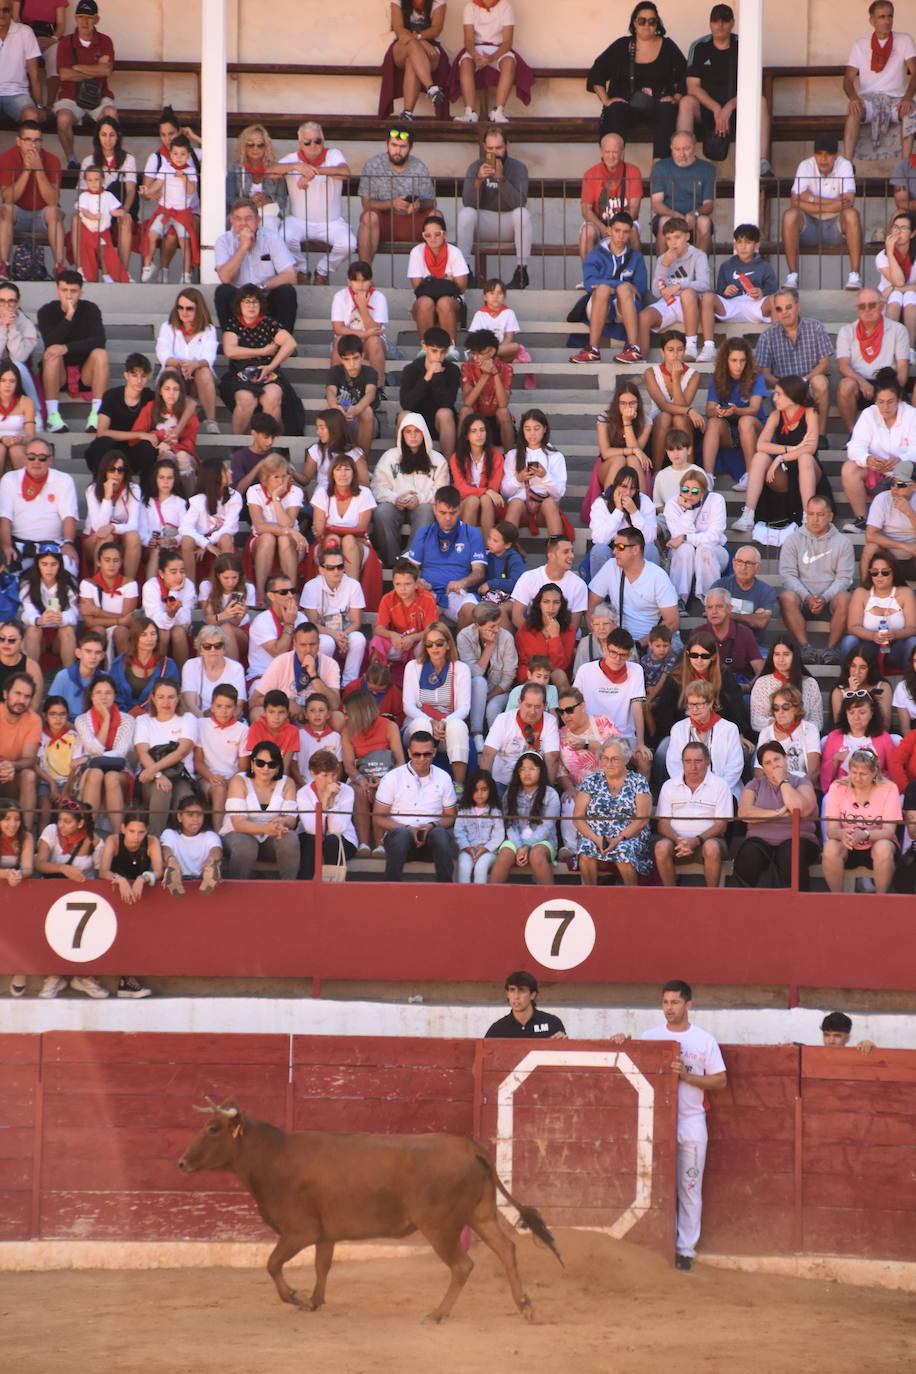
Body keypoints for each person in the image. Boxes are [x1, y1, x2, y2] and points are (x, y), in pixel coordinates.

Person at [618, 980, 727, 1269]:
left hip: (691, 1121)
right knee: (652, 1185)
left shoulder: (704, 1040)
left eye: (675, 1002)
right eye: (665, 1003)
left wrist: (686, 1077)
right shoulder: (649, 1037)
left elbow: (720, 1081)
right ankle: (654, 1244)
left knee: (689, 1187)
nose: (669, 1008)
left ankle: (685, 1250)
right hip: (655, 1122)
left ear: (688, 1005)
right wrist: (622, 1043)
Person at [586, 3, 687, 159]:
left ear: (657, 24)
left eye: (652, 21)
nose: (647, 25)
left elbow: (685, 75)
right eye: (642, 21)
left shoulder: (668, 46)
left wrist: (676, 97)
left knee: (667, 109)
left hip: (658, 107)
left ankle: (659, 168)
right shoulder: (621, 46)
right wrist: (606, 100)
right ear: (634, 23)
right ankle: (614, 166)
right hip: (627, 107)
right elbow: (596, 72)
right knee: (615, 108)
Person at [681, 5, 771, 172]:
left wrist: (728, 107)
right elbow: (692, 87)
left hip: (737, 111)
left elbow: (753, 85)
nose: (720, 25)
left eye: (725, 21)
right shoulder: (700, 46)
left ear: (732, 23)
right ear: (710, 23)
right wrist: (716, 108)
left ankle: (762, 162)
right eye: (715, 21)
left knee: (761, 102)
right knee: (686, 102)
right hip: (707, 111)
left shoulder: (744, 45)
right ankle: (682, 160)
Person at [731, 376, 825, 535]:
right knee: (760, 457)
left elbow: (810, 447)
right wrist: (791, 449)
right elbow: (761, 445)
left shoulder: (810, 412)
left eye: (779, 394)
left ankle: (806, 518)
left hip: (809, 471)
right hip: (786, 473)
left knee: (805, 458)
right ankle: (748, 515)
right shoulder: (776, 415)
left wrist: (781, 457)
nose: (774, 398)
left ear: (792, 396)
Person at [270, 120, 354, 286]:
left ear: (323, 141)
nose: (313, 145)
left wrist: (313, 172)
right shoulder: (293, 159)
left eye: (317, 141)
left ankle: (322, 271)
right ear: (300, 144)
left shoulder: (333, 154)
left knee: (349, 244)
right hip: (298, 220)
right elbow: (269, 172)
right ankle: (301, 270)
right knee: (284, 237)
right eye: (307, 142)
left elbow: (345, 172)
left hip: (332, 222)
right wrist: (296, 166)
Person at [776, 496, 856, 665]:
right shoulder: (793, 540)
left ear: (830, 516)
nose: (815, 519)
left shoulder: (843, 542)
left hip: (830, 601)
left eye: (820, 514)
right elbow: (787, 575)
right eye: (811, 514)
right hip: (802, 600)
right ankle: (805, 648)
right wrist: (807, 597)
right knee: (786, 597)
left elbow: (844, 578)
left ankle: (830, 649)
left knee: (845, 598)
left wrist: (824, 598)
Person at [782, 135, 863, 292]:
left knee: (852, 214)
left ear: (836, 155)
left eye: (828, 154)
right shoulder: (805, 165)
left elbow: (848, 202)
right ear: (814, 154)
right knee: (790, 215)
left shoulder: (844, 165)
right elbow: (794, 202)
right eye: (819, 154)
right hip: (809, 226)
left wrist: (810, 199)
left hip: (835, 227)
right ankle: (792, 275)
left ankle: (855, 275)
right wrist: (832, 204)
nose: (823, 159)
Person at [373, 728, 456, 880]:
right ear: (410, 753)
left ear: (434, 752)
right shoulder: (392, 778)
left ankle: (446, 888)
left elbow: (451, 817)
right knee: (401, 834)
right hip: (399, 841)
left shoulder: (444, 777)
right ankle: (390, 887)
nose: (422, 758)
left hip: (431, 840)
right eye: (417, 754)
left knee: (439, 833)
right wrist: (407, 829)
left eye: (427, 754)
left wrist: (432, 825)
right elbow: (378, 817)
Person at [219, 284, 299, 438]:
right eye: (247, 301)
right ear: (239, 304)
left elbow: (291, 343)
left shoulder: (269, 323)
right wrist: (262, 351)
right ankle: (237, 445)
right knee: (246, 399)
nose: (251, 306)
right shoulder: (234, 324)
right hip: (240, 374)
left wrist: (271, 366)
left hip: (268, 372)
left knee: (273, 395)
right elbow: (230, 351)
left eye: (255, 301)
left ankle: (268, 442)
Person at [753, 288, 834, 438]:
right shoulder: (767, 336)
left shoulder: (815, 327)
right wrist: (786, 387)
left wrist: (803, 381)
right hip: (783, 389)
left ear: (798, 306)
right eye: (779, 309)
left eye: (788, 307)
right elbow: (764, 374)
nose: (784, 312)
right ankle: (789, 437)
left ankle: (821, 435)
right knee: (780, 394)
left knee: (821, 382)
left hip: (809, 384)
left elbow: (825, 364)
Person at [569, 210, 647, 366]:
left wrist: (619, 287)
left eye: (625, 232)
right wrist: (619, 285)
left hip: (623, 307)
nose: (621, 236)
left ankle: (633, 349)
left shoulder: (636, 258)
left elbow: (640, 290)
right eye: (617, 231)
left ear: (630, 234)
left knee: (622, 290)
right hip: (599, 304)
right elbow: (590, 283)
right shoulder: (594, 255)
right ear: (609, 230)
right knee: (605, 289)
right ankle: (593, 350)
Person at [457, 125, 531, 289]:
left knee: (522, 213)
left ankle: (521, 271)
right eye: (490, 148)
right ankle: (464, 271)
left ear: (507, 146)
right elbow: (468, 202)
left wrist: (501, 179)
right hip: (483, 224)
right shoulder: (475, 167)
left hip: (508, 224)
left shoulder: (518, 168)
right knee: (466, 213)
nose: (495, 152)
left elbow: (519, 202)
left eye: (499, 148)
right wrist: (478, 180)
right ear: (484, 147)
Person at [842, 1, 916, 163]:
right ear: (872, 21)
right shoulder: (860, 44)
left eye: (890, 16)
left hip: (896, 101)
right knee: (854, 110)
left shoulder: (904, 40)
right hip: (869, 101)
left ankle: (904, 167)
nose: (887, 21)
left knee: (911, 111)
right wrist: (854, 98)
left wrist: (907, 98)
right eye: (882, 17)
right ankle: (847, 167)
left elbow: (915, 72)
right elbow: (848, 79)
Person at [371, 412, 448, 567]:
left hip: (422, 504)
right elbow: (378, 487)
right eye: (408, 431)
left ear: (424, 433)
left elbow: (442, 490)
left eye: (417, 431)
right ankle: (393, 561)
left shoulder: (438, 459)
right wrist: (394, 498)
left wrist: (419, 498)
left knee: (426, 510)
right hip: (395, 503)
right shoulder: (389, 456)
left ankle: (411, 561)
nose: (413, 436)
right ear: (402, 434)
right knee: (382, 512)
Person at [842, 369, 916, 531]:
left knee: (906, 469)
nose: (885, 407)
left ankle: (903, 522)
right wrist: (867, 459)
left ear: (899, 399)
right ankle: (861, 519)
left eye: (890, 401)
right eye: (880, 402)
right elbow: (854, 447)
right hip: (877, 473)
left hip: (906, 475)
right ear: (875, 400)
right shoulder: (869, 414)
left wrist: (901, 459)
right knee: (849, 468)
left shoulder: (912, 415)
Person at [404, 484, 486, 630]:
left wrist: (463, 582)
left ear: (460, 509)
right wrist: (417, 580)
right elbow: (410, 568)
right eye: (442, 512)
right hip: (429, 592)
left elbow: (479, 571)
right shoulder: (424, 532)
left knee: (471, 611)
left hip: (459, 593)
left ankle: (461, 645)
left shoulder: (472, 533)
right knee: (415, 609)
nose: (448, 518)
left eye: (452, 513)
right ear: (434, 509)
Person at [573, 736, 652, 885]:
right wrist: (595, 838)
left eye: (615, 759)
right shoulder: (591, 781)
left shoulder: (638, 782)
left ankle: (633, 895)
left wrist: (619, 838)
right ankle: (589, 895)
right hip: (596, 836)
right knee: (586, 848)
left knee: (623, 850)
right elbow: (578, 817)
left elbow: (642, 819)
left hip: (628, 836)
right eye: (605, 758)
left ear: (626, 759)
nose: (609, 764)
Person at [97, 812, 160, 998]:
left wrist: (143, 878)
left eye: (141, 832)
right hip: (114, 897)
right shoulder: (113, 841)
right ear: (123, 828)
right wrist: (120, 880)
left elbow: (159, 871)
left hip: (141, 898)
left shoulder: (152, 842)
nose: (136, 837)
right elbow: (103, 871)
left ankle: (128, 981)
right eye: (131, 831)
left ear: (147, 831)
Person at [37, 269, 108, 434]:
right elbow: (51, 342)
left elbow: (99, 340)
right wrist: (68, 316)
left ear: (80, 293)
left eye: (73, 291)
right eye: (64, 290)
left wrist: (66, 348)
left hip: (85, 372)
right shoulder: (46, 311)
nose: (68, 295)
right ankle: (53, 416)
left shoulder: (90, 309)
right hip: (58, 374)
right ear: (57, 291)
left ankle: (96, 415)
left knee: (100, 354)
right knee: (52, 354)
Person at [823, 748, 902, 894]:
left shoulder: (889, 788)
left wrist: (864, 834)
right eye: (854, 772)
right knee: (830, 848)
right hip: (848, 844)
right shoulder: (837, 787)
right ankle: (836, 899)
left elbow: (889, 832)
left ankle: (881, 899)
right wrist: (842, 834)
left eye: (863, 774)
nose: (858, 778)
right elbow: (831, 830)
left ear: (874, 773)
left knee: (883, 847)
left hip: (877, 842)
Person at [654, 741, 732, 887]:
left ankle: (712, 895)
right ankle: (671, 894)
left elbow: (721, 826)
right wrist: (679, 841)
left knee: (712, 847)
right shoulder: (669, 786)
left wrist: (696, 841)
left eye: (698, 761)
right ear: (682, 762)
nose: (693, 767)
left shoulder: (720, 786)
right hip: (676, 843)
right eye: (688, 761)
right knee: (661, 847)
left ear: (708, 762)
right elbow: (662, 824)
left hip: (708, 841)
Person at [214, 199, 297, 336]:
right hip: (238, 299)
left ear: (258, 220)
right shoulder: (223, 241)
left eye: (248, 218)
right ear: (232, 221)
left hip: (264, 296)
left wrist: (260, 287)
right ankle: (231, 341)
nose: (243, 223)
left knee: (286, 292)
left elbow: (290, 276)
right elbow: (225, 278)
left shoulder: (272, 238)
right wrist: (243, 247)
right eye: (238, 219)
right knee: (223, 291)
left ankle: (283, 341)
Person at [402, 621, 471, 786]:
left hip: (445, 728)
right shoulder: (413, 667)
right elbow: (408, 706)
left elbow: (464, 707)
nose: (434, 648)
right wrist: (431, 722)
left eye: (439, 643)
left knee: (458, 725)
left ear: (448, 644)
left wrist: (444, 723)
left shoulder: (461, 669)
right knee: (422, 723)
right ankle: (422, 782)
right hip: (417, 725)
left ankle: (458, 785)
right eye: (429, 644)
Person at [588, 526, 680, 649]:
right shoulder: (610, 567)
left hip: (650, 643)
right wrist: (600, 641)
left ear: (635, 549)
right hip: (617, 643)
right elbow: (590, 607)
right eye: (614, 547)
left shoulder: (658, 576)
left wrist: (639, 645)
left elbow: (672, 621)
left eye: (620, 547)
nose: (614, 552)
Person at [572, 627, 651, 768]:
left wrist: (640, 743)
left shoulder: (636, 670)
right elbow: (574, 705)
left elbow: (637, 707)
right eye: (613, 652)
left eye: (623, 655)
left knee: (644, 761)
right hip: (592, 735)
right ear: (604, 649)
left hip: (624, 737)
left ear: (630, 654)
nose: (617, 659)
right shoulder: (585, 670)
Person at [220, 739, 299, 879]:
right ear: (252, 763)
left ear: (278, 767)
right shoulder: (239, 780)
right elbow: (238, 823)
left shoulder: (287, 783)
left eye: (272, 764)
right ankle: (236, 889)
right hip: (237, 835)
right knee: (246, 845)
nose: (265, 768)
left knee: (290, 838)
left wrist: (282, 822)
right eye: (260, 763)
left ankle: (289, 887)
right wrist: (265, 828)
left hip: (271, 838)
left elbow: (291, 819)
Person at [357, 127, 436, 265]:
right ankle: (363, 272)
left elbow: (431, 203)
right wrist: (391, 204)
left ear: (410, 147)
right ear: (387, 144)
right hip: (382, 224)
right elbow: (366, 203)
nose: (398, 151)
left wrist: (419, 205)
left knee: (436, 216)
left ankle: (437, 273)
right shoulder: (373, 165)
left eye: (403, 146)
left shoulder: (419, 167)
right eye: (394, 145)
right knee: (369, 216)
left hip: (412, 222)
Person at [52, 0, 116, 168]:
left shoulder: (105, 41)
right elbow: (64, 74)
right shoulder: (66, 42)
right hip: (71, 96)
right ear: (75, 18)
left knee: (111, 114)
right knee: (63, 119)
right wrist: (95, 70)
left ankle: (104, 162)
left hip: (98, 96)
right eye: (80, 17)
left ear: (97, 19)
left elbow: (106, 71)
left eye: (89, 17)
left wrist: (78, 68)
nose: (84, 21)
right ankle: (72, 160)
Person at [836, 290, 910, 435]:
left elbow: (902, 367)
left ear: (882, 305)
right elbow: (843, 365)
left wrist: (894, 391)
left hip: (888, 382)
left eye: (872, 305)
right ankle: (854, 435)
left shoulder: (898, 329)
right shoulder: (847, 331)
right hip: (860, 385)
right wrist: (862, 382)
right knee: (845, 385)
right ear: (857, 309)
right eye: (862, 306)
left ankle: (894, 436)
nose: (867, 310)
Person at [0, 438, 78, 575]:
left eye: (42, 458)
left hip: (52, 546)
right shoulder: (10, 479)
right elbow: (4, 517)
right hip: (18, 545)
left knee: (69, 566)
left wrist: (68, 543)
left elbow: (69, 516)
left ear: (50, 460)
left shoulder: (64, 480)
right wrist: (6, 546)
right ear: (25, 458)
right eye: (31, 457)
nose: (36, 462)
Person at [0, 117, 64, 278]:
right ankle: (4, 265)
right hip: (18, 214)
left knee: (54, 212)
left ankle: (59, 266)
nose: (33, 145)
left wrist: (39, 170)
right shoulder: (7, 158)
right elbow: (8, 198)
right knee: (5, 210)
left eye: (37, 140)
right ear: (18, 141)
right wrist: (27, 171)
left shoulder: (53, 160)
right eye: (28, 140)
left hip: (42, 215)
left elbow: (53, 200)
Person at [701, 334, 768, 486]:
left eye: (742, 360)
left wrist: (736, 411)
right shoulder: (718, 378)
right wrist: (719, 412)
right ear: (726, 360)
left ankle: (751, 475)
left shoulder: (756, 378)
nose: (738, 365)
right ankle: (708, 477)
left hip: (754, 429)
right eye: (734, 360)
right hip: (729, 432)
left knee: (745, 421)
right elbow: (709, 410)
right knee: (713, 423)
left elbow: (754, 409)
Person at [450, 0, 530, 126]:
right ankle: (470, 112)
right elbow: (468, 40)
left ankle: (498, 111)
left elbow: (507, 42)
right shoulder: (470, 7)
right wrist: (475, 56)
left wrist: (491, 58)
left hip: (498, 49)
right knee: (465, 63)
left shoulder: (505, 6)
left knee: (509, 63)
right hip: (476, 48)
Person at [300, 545, 367, 689]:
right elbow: (312, 624)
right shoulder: (311, 587)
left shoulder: (353, 585)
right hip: (323, 633)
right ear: (321, 569)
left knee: (358, 639)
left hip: (345, 632)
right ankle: (323, 682)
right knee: (326, 642)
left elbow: (356, 622)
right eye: (330, 568)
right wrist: (335, 635)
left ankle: (349, 684)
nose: (336, 571)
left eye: (340, 566)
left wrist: (342, 636)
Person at [489, 751, 560, 887]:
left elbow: (547, 826)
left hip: (543, 841)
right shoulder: (510, 793)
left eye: (532, 769)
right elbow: (509, 824)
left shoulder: (551, 794)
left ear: (541, 770)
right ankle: (491, 896)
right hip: (516, 839)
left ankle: (550, 896)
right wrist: (519, 846)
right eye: (522, 769)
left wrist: (527, 845)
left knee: (536, 854)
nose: (527, 773)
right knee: (504, 855)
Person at [250, 621, 341, 725]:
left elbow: (334, 705)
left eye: (312, 644)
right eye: (303, 645)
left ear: (319, 643)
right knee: (256, 713)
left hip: (316, 718)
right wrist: (285, 703)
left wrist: (314, 675)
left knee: (338, 718)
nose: (308, 650)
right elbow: (255, 700)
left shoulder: (331, 664)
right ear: (295, 643)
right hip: (285, 719)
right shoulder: (280, 661)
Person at [155, 288, 219, 434]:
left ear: (199, 309)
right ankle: (168, 418)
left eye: (189, 308)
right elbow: (163, 353)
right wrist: (182, 365)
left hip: (198, 379)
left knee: (204, 371)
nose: (184, 312)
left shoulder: (209, 329)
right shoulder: (168, 327)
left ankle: (211, 421)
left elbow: (209, 358)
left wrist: (194, 365)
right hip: (177, 374)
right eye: (180, 307)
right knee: (170, 371)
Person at [840, 549, 916, 671]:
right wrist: (873, 636)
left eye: (885, 572)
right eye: (874, 572)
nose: (879, 576)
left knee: (913, 642)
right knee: (849, 641)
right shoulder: (861, 593)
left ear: (894, 572)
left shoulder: (905, 592)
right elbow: (853, 626)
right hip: (868, 647)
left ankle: (911, 681)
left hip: (895, 648)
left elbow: (912, 628)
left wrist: (895, 634)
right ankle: (847, 679)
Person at [246, 453, 306, 606]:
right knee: (268, 537)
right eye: (276, 477)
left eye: (284, 476)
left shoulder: (295, 492)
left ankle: (291, 592)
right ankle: (261, 591)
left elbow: (288, 523)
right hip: (262, 539)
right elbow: (260, 526)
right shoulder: (254, 491)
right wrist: (289, 531)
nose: (281, 481)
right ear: (265, 478)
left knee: (284, 539)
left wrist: (275, 498)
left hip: (290, 542)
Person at [663, 465, 727, 607]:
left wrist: (686, 538)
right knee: (685, 549)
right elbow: (678, 537)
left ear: (703, 492)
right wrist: (689, 510)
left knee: (704, 549)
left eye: (695, 491)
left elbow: (714, 537)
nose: (689, 494)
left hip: (716, 551)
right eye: (685, 489)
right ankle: (678, 600)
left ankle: (710, 602)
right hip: (684, 554)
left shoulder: (716, 499)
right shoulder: (672, 504)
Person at [83, 353, 155, 479]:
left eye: (143, 376)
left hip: (132, 453)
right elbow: (102, 432)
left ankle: (147, 489)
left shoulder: (150, 397)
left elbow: (187, 402)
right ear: (126, 375)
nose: (139, 381)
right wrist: (139, 435)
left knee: (147, 447)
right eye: (134, 375)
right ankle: (99, 486)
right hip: (110, 452)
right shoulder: (111, 395)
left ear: (148, 376)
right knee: (104, 442)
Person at [480, 680, 560, 789]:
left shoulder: (550, 721)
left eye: (537, 707)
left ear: (545, 705)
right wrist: (487, 788)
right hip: (502, 781)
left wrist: (546, 790)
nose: (532, 711)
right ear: (519, 702)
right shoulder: (503, 719)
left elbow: (552, 757)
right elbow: (488, 754)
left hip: (535, 783)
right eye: (528, 705)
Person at [456, 600, 517, 744]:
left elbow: (508, 677)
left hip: (499, 690)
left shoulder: (506, 637)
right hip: (473, 689)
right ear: (478, 626)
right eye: (492, 626)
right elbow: (473, 674)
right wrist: (489, 647)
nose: (497, 629)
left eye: (499, 624)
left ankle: (496, 744)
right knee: (479, 682)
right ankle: (477, 734)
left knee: (492, 707)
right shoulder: (464, 636)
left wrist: (488, 697)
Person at [643, 329, 705, 468]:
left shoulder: (694, 375)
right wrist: (689, 411)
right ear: (662, 352)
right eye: (670, 350)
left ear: (684, 351)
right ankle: (656, 471)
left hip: (683, 420)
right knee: (665, 417)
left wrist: (676, 380)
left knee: (679, 419)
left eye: (680, 350)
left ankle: (689, 470)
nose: (676, 355)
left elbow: (682, 406)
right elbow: (663, 406)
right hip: (659, 418)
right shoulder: (651, 373)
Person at [500, 409, 567, 538]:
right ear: (522, 430)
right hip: (521, 510)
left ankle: (556, 545)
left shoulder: (555, 456)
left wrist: (545, 477)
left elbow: (559, 493)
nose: (532, 433)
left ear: (545, 429)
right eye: (527, 429)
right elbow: (505, 492)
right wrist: (518, 479)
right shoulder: (513, 455)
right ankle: (508, 547)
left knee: (549, 503)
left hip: (544, 510)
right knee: (515, 503)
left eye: (536, 428)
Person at [578, 132, 643, 261]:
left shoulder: (633, 171)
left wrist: (616, 229)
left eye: (615, 152)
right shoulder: (590, 173)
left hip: (625, 221)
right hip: (598, 223)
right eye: (607, 152)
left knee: (633, 231)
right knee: (586, 232)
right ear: (601, 152)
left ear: (622, 152)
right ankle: (589, 272)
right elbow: (586, 211)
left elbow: (634, 210)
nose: (611, 156)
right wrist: (603, 228)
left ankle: (635, 271)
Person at [380, 0, 449, 121]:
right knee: (412, 46)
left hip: (428, 46)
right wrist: (419, 42)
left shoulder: (437, 2)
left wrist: (419, 38)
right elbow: (398, 28)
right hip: (403, 45)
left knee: (412, 61)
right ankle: (431, 87)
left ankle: (407, 113)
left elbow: (436, 28)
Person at [588, 466, 658, 585]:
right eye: (624, 486)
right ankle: (602, 594)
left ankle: (647, 591)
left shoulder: (645, 501)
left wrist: (634, 513)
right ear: (615, 485)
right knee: (599, 550)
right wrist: (618, 511)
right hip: (612, 550)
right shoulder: (601, 502)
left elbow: (649, 539)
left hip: (635, 551)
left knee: (651, 550)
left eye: (632, 488)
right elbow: (599, 539)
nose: (628, 493)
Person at [407, 213, 469, 348]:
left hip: (452, 301)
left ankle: (450, 348)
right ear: (423, 236)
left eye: (437, 234)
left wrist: (431, 282)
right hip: (425, 300)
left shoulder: (454, 252)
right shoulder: (417, 252)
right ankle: (426, 348)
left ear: (445, 234)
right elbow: (417, 287)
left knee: (444, 302)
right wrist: (447, 281)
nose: (433, 238)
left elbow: (462, 287)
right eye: (427, 235)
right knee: (425, 302)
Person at [398, 325, 460, 458]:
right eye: (434, 351)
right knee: (404, 415)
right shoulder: (411, 369)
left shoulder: (452, 370)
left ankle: (448, 464)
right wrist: (427, 377)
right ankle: (404, 461)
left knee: (445, 413)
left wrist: (437, 377)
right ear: (424, 347)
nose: (438, 356)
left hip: (440, 423)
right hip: (416, 422)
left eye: (443, 352)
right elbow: (406, 404)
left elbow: (447, 403)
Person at [369, 556, 438, 677]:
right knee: (376, 641)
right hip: (398, 643)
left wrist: (413, 638)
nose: (402, 589)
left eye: (407, 584)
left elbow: (432, 629)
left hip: (418, 643)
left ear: (416, 584)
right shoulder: (387, 599)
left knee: (431, 641)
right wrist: (392, 635)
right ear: (393, 584)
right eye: (398, 584)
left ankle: (426, 679)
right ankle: (378, 678)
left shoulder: (427, 599)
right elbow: (379, 628)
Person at [649, 131, 715, 254]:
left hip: (696, 216)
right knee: (664, 221)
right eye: (677, 149)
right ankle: (662, 265)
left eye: (686, 149)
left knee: (705, 222)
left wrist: (695, 213)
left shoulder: (707, 168)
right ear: (671, 148)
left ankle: (699, 265)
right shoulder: (660, 167)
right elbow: (656, 203)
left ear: (694, 147)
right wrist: (673, 214)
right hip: (669, 215)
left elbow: (709, 204)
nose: (682, 154)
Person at [179, 456, 242, 583]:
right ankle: (190, 586)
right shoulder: (199, 499)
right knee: (186, 540)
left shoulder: (234, 496)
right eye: (226, 470)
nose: (231, 472)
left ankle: (224, 586)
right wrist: (207, 545)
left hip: (220, 540)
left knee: (226, 537)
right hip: (200, 540)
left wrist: (208, 543)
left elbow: (230, 527)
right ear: (215, 476)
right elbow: (185, 528)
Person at [296, 747, 357, 878]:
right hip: (311, 839)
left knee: (331, 841)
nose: (330, 780)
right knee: (311, 842)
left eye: (333, 775)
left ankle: (331, 884)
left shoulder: (347, 791)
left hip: (342, 840)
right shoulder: (303, 793)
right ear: (313, 774)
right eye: (325, 775)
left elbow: (337, 830)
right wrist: (324, 801)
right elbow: (312, 829)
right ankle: (305, 886)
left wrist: (332, 802)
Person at [194, 683, 246, 829]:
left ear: (235, 708)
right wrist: (211, 777)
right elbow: (198, 762)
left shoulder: (243, 730)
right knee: (219, 789)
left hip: (233, 778)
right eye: (219, 706)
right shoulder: (201, 725)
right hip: (206, 777)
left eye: (228, 706)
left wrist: (230, 781)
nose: (223, 711)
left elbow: (243, 767)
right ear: (212, 707)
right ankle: (217, 833)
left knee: (224, 787)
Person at [820, 690, 895, 789]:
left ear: (872, 713)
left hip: (875, 790)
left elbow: (893, 772)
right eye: (851, 712)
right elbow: (824, 782)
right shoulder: (834, 737)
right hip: (842, 790)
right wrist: (835, 760)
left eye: (862, 712)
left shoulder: (883, 737)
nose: (856, 717)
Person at [330, 260, 389, 384]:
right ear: (349, 281)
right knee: (339, 341)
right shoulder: (340, 296)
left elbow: (375, 330)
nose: (360, 285)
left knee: (374, 341)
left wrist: (363, 308)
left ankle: (378, 387)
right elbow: (338, 329)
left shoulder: (379, 297)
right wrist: (364, 334)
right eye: (356, 281)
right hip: (348, 340)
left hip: (370, 342)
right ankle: (335, 387)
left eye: (364, 280)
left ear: (371, 281)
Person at [450, 410, 506, 539]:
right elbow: (460, 489)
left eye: (482, 430)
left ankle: (488, 547)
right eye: (473, 431)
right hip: (465, 505)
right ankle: (465, 544)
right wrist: (485, 491)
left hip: (489, 505)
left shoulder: (496, 456)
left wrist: (487, 492)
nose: (479, 435)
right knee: (473, 500)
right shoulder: (457, 457)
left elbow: (494, 488)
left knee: (485, 499)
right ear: (466, 435)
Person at [591, 383, 653, 499]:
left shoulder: (646, 421)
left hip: (635, 466)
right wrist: (633, 450)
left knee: (632, 459)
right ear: (617, 403)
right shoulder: (605, 418)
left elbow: (636, 453)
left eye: (632, 403)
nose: (628, 407)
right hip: (609, 465)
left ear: (638, 403)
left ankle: (642, 505)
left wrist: (627, 422)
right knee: (619, 460)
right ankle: (609, 503)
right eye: (623, 403)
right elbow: (605, 453)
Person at [750, 636, 823, 733]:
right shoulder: (762, 683)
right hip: (772, 737)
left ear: (795, 656)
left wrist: (796, 727)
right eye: (777, 654)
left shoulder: (810, 683)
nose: (781, 659)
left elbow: (817, 722)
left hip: (803, 737)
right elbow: (756, 722)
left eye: (786, 654)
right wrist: (780, 725)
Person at [19, 545, 77, 665]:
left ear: (60, 564)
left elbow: (74, 612)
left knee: (67, 630)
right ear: (37, 565)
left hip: (59, 635)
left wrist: (62, 618)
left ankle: (68, 674)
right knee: (33, 630)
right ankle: (31, 673)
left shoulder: (68, 583)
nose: (49, 569)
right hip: (39, 636)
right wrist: (39, 620)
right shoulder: (28, 584)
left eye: (53, 564)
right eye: (44, 564)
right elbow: (27, 612)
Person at [755, 685, 822, 785]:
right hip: (773, 788)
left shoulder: (809, 729)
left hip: (801, 785)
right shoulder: (766, 733)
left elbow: (814, 771)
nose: (780, 712)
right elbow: (759, 771)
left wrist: (799, 790)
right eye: (776, 708)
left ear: (796, 708)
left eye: (786, 707)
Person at [460, 330, 514, 453]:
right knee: (465, 411)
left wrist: (495, 373)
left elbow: (503, 404)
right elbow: (467, 402)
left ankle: (511, 458)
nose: (475, 358)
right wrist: (485, 375)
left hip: (495, 423)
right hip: (474, 421)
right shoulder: (467, 366)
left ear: (492, 351)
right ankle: (461, 455)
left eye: (480, 354)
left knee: (503, 412)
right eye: (473, 353)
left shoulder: (506, 369)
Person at [325, 335, 379, 458]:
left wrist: (357, 409)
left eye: (356, 358)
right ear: (340, 359)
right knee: (330, 413)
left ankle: (362, 461)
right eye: (347, 359)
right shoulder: (335, 372)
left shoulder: (369, 372)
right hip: (342, 419)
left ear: (363, 356)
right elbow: (330, 391)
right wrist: (335, 408)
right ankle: (334, 460)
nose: (352, 364)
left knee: (367, 411)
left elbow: (371, 393)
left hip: (366, 422)